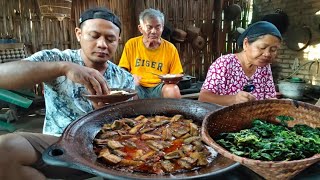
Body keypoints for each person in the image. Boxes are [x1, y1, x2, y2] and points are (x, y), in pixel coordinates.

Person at [0, 7, 134, 179]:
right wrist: (63, 68)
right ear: (79, 34)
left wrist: (110, 114)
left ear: (118, 41)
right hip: (58, 145)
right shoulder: (58, 60)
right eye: (94, 36)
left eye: (110, 39)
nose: (102, 44)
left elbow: (131, 123)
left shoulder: (124, 78)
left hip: (108, 148)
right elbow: (3, 75)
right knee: (6, 149)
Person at [198, 21, 282, 106]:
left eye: (273, 50)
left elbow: (270, 97)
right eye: (262, 47)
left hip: (254, 118)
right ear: (246, 44)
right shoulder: (224, 64)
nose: (267, 54)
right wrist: (233, 99)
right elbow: (203, 98)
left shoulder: (264, 67)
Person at [118, 8, 183, 99]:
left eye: (157, 27)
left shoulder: (170, 48)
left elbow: (177, 74)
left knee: (173, 89)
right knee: (128, 90)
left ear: (162, 28)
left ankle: (176, 114)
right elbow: (122, 70)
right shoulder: (131, 44)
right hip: (138, 86)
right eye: (149, 27)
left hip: (160, 86)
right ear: (140, 28)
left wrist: (171, 79)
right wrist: (130, 78)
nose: (154, 31)